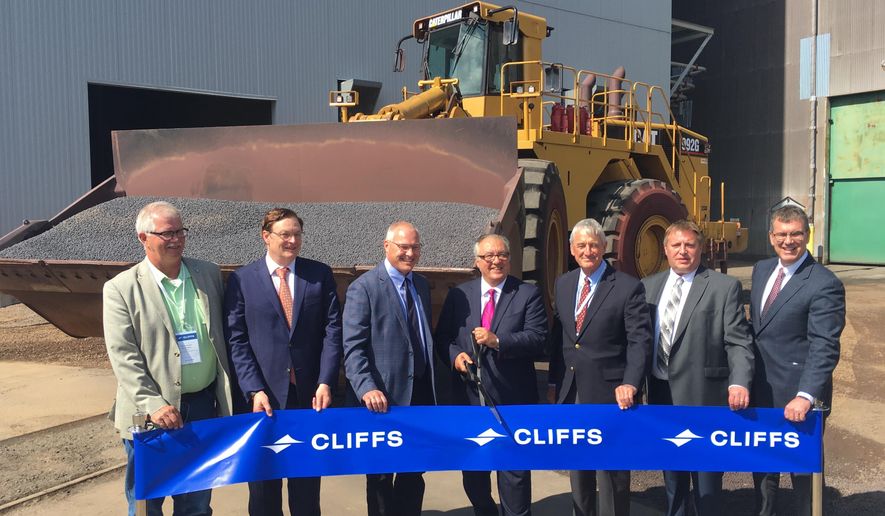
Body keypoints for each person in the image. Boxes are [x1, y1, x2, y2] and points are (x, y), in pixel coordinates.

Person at [102, 201, 233, 516]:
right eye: (167, 233)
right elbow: (123, 356)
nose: (176, 239)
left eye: (180, 231)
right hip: (150, 414)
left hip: (202, 407)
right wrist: (154, 404)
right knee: (148, 503)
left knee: (196, 502)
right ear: (143, 238)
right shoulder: (121, 288)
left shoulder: (208, 273)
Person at [224, 208, 342, 516]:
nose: (292, 241)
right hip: (264, 398)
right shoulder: (242, 280)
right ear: (266, 236)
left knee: (306, 485)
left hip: (310, 395)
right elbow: (237, 339)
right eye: (285, 234)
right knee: (264, 487)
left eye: (297, 234)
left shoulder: (318, 275)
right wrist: (253, 389)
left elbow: (332, 331)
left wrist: (325, 381)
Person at [641, 220, 754, 516]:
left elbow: (738, 341)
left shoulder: (723, 287)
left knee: (706, 481)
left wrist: (739, 382)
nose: (683, 251)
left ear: (700, 249)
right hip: (661, 393)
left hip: (704, 397)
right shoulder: (648, 287)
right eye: (676, 245)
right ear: (665, 249)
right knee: (672, 474)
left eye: (689, 245)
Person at [435, 234, 548, 516]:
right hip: (470, 400)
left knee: (514, 474)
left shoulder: (527, 294)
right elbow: (443, 338)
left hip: (512, 399)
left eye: (502, 255)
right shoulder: (460, 295)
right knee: (474, 474)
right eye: (489, 256)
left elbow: (538, 339)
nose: (496, 261)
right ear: (477, 261)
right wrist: (455, 357)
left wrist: (498, 341)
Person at [548, 218, 652, 516]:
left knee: (611, 470)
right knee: (578, 465)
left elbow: (639, 341)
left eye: (594, 245)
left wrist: (631, 382)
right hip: (572, 390)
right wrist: (554, 383)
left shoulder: (628, 287)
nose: (588, 251)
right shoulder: (564, 283)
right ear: (571, 249)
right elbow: (560, 339)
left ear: (604, 247)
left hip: (611, 391)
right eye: (581, 245)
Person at [750, 205, 845, 516]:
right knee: (763, 464)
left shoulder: (824, 283)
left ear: (807, 235)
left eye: (795, 234)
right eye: (781, 234)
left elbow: (824, 345)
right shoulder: (762, 269)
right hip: (760, 388)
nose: (788, 241)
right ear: (771, 236)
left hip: (797, 395)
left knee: (803, 474)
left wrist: (806, 395)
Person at [343, 221, 437, 516]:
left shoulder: (421, 284)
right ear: (386, 247)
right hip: (382, 398)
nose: (410, 253)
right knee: (381, 476)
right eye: (403, 247)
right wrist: (367, 387)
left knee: (414, 471)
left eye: (415, 247)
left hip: (419, 394)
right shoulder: (364, 288)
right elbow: (353, 347)